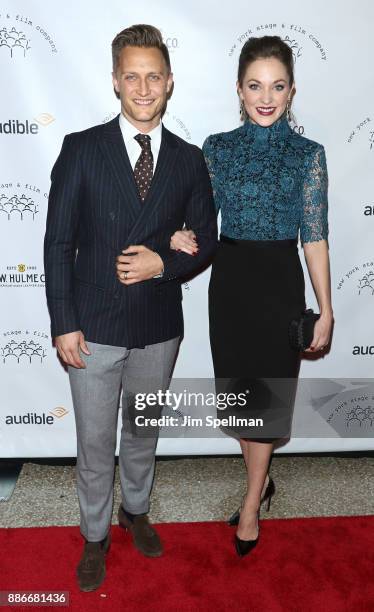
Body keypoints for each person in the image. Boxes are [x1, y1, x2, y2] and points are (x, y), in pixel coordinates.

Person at [44, 24, 217, 591]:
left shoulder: (190, 160)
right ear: (116, 81)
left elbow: (207, 239)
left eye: (154, 77)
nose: (143, 87)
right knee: (95, 440)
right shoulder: (81, 148)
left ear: (170, 83)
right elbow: (58, 242)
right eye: (132, 76)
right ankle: (95, 536)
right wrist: (63, 322)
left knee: (143, 430)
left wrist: (163, 263)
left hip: (159, 324)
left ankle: (134, 510)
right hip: (92, 326)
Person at [170, 35, 333, 557]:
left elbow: (315, 235)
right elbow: (199, 215)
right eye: (255, 85)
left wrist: (326, 310)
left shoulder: (309, 156)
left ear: (291, 91)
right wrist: (178, 233)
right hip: (232, 280)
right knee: (241, 399)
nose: (266, 97)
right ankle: (261, 481)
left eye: (277, 86)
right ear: (238, 90)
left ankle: (250, 502)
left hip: (280, 284)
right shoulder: (217, 148)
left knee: (266, 400)